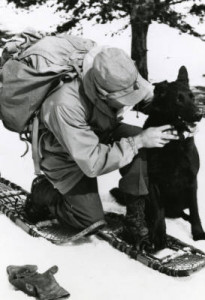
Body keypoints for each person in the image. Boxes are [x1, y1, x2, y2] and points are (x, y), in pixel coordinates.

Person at [26, 45, 179, 250]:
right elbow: (92, 162)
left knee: (135, 136)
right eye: (122, 99)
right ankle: (44, 193)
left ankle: (135, 218)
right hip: (63, 154)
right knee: (89, 221)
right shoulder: (65, 104)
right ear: (102, 92)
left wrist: (178, 116)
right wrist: (139, 141)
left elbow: (146, 97)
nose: (128, 102)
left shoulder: (117, 70)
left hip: (100, 130)